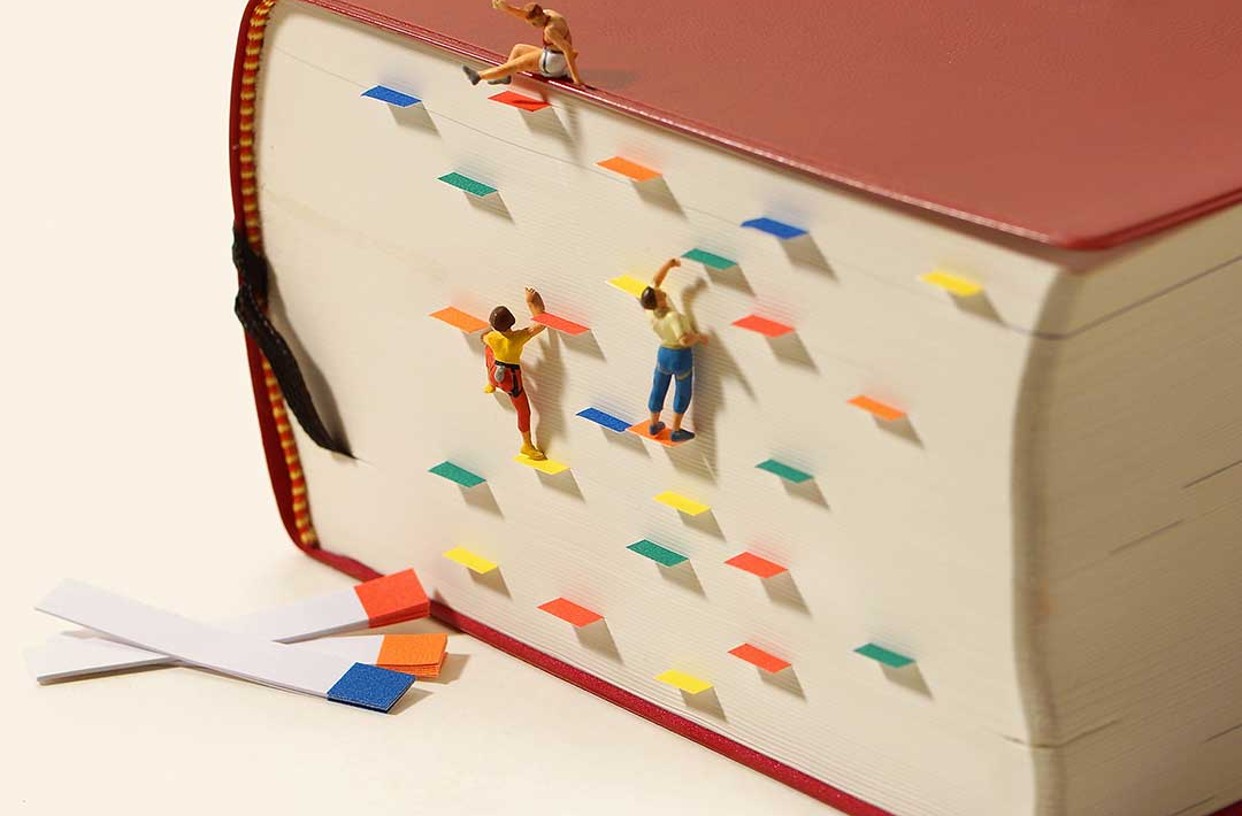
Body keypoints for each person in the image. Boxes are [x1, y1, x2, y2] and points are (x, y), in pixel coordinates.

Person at [640, 259, 708, 443]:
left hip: (663, 353)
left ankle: (654, 424)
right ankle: (676, 430)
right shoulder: (673, 317)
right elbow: (684, 340)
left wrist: (668, 266)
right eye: (660, 294)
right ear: (659, 301)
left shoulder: (650, 312)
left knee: (659, 387)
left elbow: (655, 281)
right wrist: (699, 337)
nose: (662, 291)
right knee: (682, 390)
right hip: (679, 355)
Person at [482, 288, 548, 460]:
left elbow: (483, 337)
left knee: (488, 351)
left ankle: (491, 383)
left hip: (496, 373)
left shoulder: (492, 337)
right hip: (511, 380)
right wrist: (531, 302)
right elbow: (541, 325)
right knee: (524, 411)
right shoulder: (518, 338)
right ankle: (527, 445)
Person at [463, 1, 583, 87]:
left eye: (534, 23)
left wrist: (576, 78)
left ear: (540, 16)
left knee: (515, 65)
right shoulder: (550, 14)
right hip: (552, 54)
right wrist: (506, 8)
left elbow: (568, 50)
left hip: (553, 62)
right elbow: (523, 14)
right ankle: (505, 77)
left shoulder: (550, 30)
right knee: (518, 49)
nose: (533, 26)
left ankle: (479, 76)